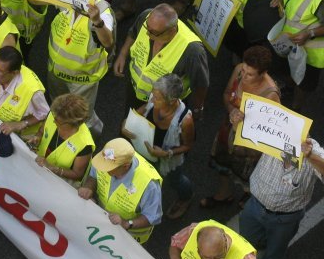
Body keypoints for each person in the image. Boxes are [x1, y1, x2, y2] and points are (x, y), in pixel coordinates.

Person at [200, 46, 281, 210]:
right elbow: (226, 94)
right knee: (221, 162)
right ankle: (224, 194)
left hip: (250, 145)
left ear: (263, 73)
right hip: (229, 130)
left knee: (248, 173)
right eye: (244, 70)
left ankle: (250, 195)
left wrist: (245, 122)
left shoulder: (271, 95)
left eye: (250, 74)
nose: (243, 76)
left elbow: (271, 130)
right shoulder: (238, 70)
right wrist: (232, 111)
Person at [239, 138, 324, 259]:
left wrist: (310, 156)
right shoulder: (273, 135)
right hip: (254, 206)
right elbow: (246, 139)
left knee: (274, 257)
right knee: (243, 245)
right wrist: (237, 124)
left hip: (284, 219)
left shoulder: (314, 150)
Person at [113, 3, 209, 114]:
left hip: (166, 106)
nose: (147, 33)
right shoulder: (147, 17)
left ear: (172, 31)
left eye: (154, 32)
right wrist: (122, 54)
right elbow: (134, 32)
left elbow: (201, 84)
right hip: (135, 91)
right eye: (147, 28)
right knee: (129, 125)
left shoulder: (193, 51)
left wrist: (197, 108)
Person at [124, 74, 196, 219]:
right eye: (153, 94)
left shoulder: (185, 120)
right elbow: (138, 113)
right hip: (146, 151)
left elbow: (188, 145)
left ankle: (186, 197)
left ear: (172, 100)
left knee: (176, 180)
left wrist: (165, 154)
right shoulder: (152, 100)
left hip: (167, 158)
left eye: (157, 98)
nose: (152, 98)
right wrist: (125, 124)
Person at [47, 0, 114, 137]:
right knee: (58, 105)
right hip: (56, 72)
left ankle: (90, 137)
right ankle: (62, 128)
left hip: (82, 80)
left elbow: (108, 42)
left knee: (82, 115)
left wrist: (97, 21)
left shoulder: (102, 12)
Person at [78, 137, 164, 244]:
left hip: (128, 236)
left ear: (125, 166)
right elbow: (93, 176)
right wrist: (88, 187)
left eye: (108, 167)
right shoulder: (106, 157)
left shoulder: (149, 185)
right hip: (102, 219)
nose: (103, 168)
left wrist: (127, 223)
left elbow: (152, 217)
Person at [33, 93, 96, 186]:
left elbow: (77, 174)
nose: (53, 120)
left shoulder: (85, 144)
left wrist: (52, 168)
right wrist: (37, 138)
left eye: (58, 121)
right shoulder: (54, 115)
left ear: (72, 123)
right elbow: (41, 131)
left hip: (59, 182)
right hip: (38, 166)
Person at [169, 220, 258, 259]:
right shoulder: (193, 231)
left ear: (226, 244)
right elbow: (175, 244)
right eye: (207, 258)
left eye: (218, 257)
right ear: (198, 248)